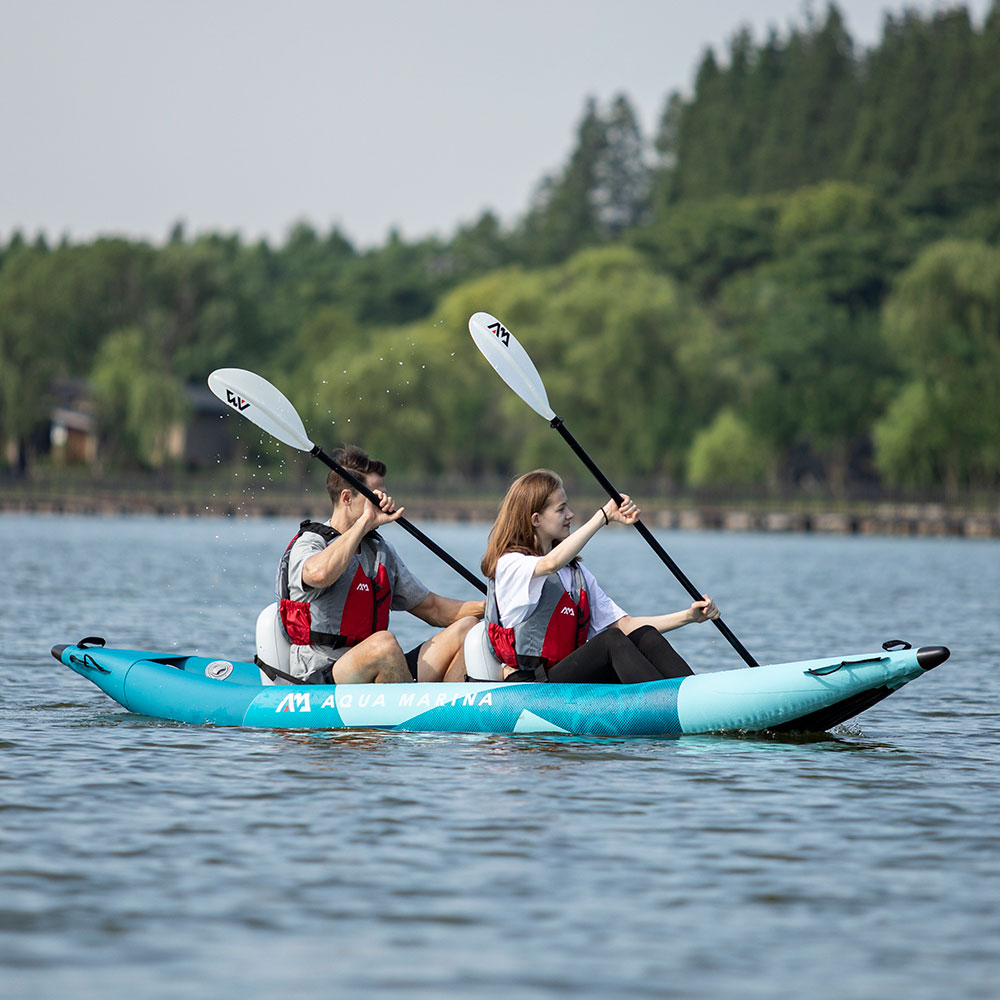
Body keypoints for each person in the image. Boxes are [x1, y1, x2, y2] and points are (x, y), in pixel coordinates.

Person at [480, 469, 720, 683]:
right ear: (536, 519)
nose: (570, 514)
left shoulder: (575, 574)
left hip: (566, 678)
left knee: (645, 636)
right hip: (533, 683)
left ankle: (692, 694)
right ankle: (664, 704)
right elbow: (550, 564)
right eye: (561, 509)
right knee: (610, 641)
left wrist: (688, 617)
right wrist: (604, 516)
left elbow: (625, 625)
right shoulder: (510, 564)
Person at [277, 445, 484, 684]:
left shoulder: (380, 551)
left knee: (468, 628)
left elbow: (433, 608)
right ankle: (408, 701)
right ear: (346, 498)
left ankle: (450, 704)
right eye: (375, 496)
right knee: (384, 644)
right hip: (320, 675)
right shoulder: (311, 542)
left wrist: (489, 607)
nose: (384, 502)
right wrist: (365, 521)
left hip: (377, 667)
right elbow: (319, 574)